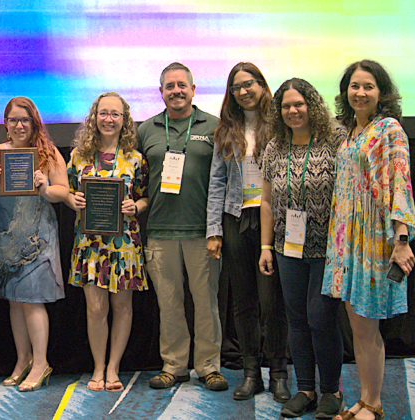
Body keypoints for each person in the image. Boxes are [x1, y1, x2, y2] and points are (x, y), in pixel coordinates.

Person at [324, 61, 415, 420]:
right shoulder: (350, 132)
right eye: (354, 86)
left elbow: (401, 183)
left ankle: (374, 404)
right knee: (357, 327)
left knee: (367, 325)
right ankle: (364, 400)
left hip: (374, 239)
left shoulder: (389, 129)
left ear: (382, 92)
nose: (360, 93)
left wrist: (402, 238)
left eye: (368, 86)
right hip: (347, 240)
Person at [137, 62, 228, 392]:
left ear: (193, 89)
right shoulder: (145, 130)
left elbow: (225, 179)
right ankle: (174, 366)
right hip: (160, 231)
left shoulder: (215, 126)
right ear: (161, 92)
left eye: (181, 85)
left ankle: (209, 367)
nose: (176, 91)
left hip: (202, 233)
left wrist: (217, 230)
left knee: (206, 303)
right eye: (169, 86)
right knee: (169, 303)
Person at [259, 78, 344, 418]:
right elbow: (266, 201)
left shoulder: (335, 140)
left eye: (299, 104)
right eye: (286, 106)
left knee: (321, 319)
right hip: (287, 247)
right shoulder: (275, 146)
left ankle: (331, 391)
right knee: (296, 320)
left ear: (312, 105)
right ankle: (305, 389)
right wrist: (266, 246)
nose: (293, 111)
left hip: (328, 248)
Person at [206, 63, 289, 402]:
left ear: (262, 85)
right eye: (236, 87)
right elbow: (217, 183)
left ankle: (279, 373)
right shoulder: (225, 131)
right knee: (243, 303)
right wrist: (214, 231)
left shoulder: (281, 125)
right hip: (235, 218)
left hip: (274, 219)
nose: (243, 91)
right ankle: (251, 373)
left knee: (272, 302)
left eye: (249, 84)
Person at [0, 97, 68, 392]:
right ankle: (23, 360)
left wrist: (45, 187)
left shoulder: (47, 153)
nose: (19, 125)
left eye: (25, 120)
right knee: (14, 301)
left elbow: (63, 192)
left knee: (32, 300)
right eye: (13, 120)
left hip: (37, 239)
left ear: (34, 123)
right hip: (6, 238)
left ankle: (41, 363)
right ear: (5, 123)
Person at [65, 92, 148, 392]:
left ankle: (113, 368)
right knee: (96, 309)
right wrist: (72, 200)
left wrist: (135, 207)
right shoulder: (78, 156)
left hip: (124, 244)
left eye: (115, 114)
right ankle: (98, 367)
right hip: (90, 245)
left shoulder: (135, 159)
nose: (108, 119)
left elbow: (145, 197)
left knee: (122, 307)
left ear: (124, 120)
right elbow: (68, 192)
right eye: (103, 113)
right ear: (94, 117)